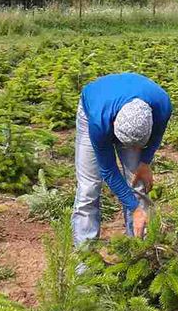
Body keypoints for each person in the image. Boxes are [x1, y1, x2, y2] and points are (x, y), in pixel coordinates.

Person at [72, 72, 172, 247]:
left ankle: (139, 252)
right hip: (94, 107)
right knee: (89, 189)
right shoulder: (99, 121)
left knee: (137, 183)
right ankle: (84, 261)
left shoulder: (162, 105)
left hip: (128, 102)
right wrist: (134, 208)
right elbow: (108, 170)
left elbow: (156, 135)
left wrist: (145, 162)